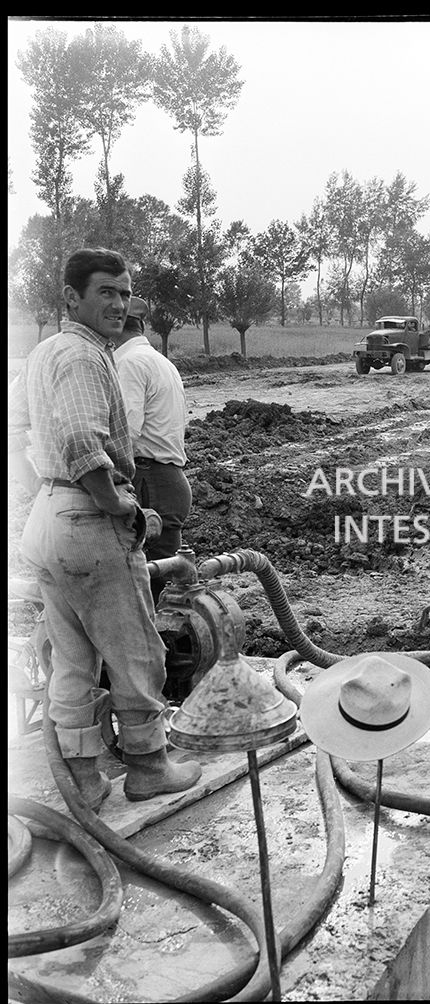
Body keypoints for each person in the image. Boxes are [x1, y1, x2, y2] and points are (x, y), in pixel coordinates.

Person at [8, 248, 202, 809]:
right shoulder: (88, 358)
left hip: (47, 515)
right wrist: (114, 503)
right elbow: (80, 439)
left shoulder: (44, 352)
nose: (119, 303)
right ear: (72, 297)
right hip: (87, 521)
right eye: (105, 292)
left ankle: (84, 780)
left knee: (72, 660)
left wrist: (46, 493)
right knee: (137, 652)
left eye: (124, 292)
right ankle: (147, 768)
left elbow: (21, 426)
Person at [114, 296, 191, 603]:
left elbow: (126, 433)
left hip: (148, 481)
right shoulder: (161, 362)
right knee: (164, 583)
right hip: (167, 481)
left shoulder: (128, 364)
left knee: (145, 588)